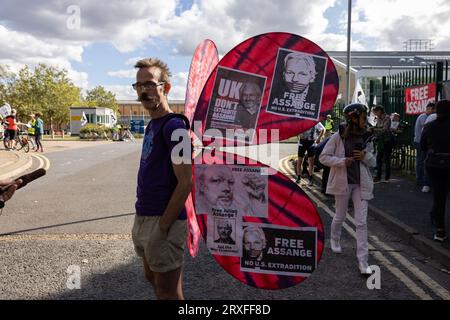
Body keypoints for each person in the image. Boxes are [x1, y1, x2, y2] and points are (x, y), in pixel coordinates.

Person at [131, 58, 192, 300]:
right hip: (143, 215)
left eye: (149, 84)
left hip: (163, 221)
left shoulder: (175, 127)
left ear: (165, 88)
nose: (143, 91)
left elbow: (185, 181)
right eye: (138, 86)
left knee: (169, 292)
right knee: (152, 279)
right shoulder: (152, 126)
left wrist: (164, 226)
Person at [319, 103, 376, 275]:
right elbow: (323, 157)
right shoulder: (338, 136)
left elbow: (374, 162)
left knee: (361, 223)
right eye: (363, 117)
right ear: (353, 118)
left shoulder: (367, 136)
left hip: (361, 184)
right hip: (343, 183)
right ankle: (335, 239)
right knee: (340, 216)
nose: (365, 121)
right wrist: (342, 161)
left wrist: (365, 157)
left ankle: (363, 262)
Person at [420, 100, 450, 242]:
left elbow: (423, 146)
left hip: (435, 164)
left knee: (439, 197)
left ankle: (440, 231)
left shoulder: (429, 126)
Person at [414, 102, 435, 192]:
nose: (434, 111)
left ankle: (420, 179)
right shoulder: (424, 117)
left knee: (421, 160)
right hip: (420, 142)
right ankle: (421, 180)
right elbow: (425, 129)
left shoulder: (425, 117)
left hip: (419, 141)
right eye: (433, 109)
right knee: (421, 161)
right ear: (429, 109)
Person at [372, 105, 393, 182]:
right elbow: (378, 128)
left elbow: (384, 129)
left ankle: (387, 177)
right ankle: (378, 176)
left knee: (387, 159)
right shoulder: (378, 118)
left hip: (387, 140)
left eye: (376, 111)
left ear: (380, 111)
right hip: (380, 141)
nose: (375, 113)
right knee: (379, 158)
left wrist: (374, 129)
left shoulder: (387, 118)